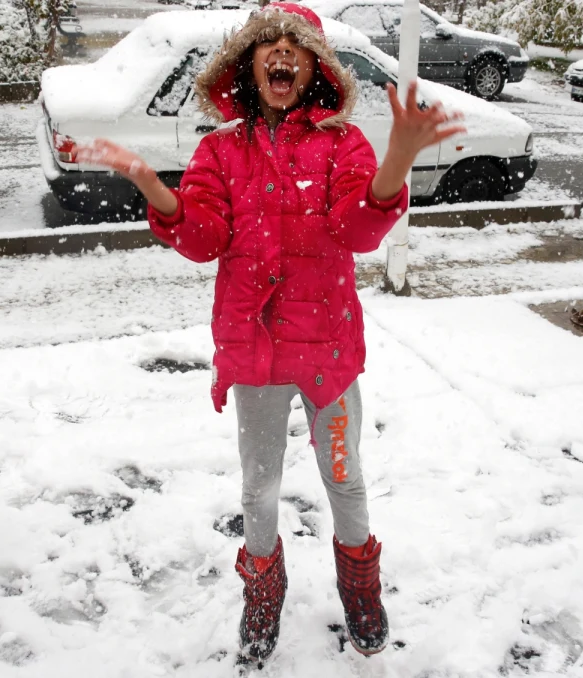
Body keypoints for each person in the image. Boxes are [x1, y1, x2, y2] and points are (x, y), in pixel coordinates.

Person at [73, 2, 462, 661]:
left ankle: (361, 590)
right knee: (259, 487)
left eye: (296, 45)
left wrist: (395, 159)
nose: (281, 52)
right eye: (268, 44)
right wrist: (150, 184)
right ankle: (264, 592)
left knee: (345, 476)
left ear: (313, 67)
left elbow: (357, 230)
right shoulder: (220, 150)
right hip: (254, 356)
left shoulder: (342, 144)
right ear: (247, 65)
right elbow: (204, 238)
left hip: (328, 354)